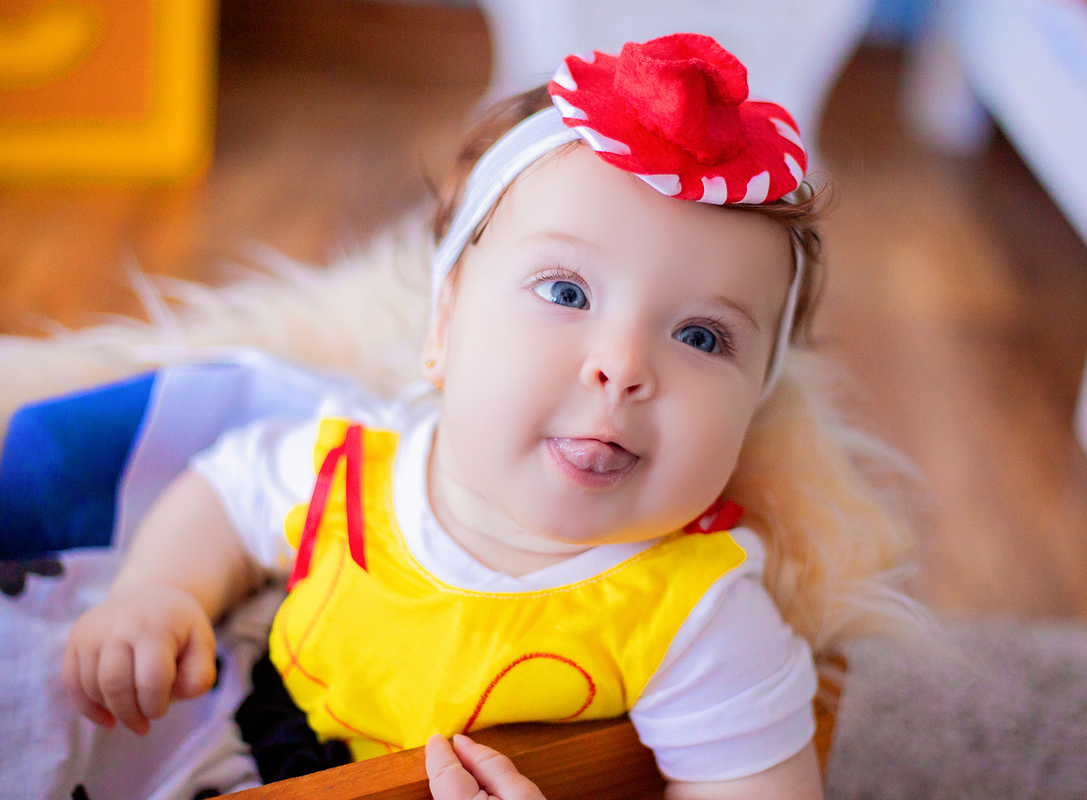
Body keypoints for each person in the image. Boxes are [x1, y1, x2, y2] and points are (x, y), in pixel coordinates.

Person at [62, 33, 913, 799]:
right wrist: (158, 593)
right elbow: (223, 492)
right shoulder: (353, 469)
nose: (620, 367)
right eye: (567, 291)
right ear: (441, 330)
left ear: (756, 401)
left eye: (701, 335)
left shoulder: (699, 619)